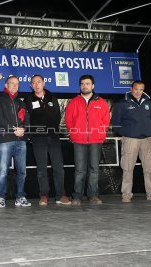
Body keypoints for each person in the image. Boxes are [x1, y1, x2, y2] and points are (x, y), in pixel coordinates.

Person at [112, 80, 151, 202]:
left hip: (147, 140)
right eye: (136, 89)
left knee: (150, 168)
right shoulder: (122, 104)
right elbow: (115, 123)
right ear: (131, 89)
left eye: (141, 89)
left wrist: (147, 132)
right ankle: (126, 194)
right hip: (130, 140)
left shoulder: (148, 104)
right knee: (128, 167)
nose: (138, 92)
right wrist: (126, 133)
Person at [65, 74, 110, 206]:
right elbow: (68, 121)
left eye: (87, 83)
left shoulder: (101, 102)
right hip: (79, 141)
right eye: (82, 84)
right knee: (79, 170)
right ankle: (77, 196)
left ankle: (93, 195)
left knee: (94, 169)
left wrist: (100, 135)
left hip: (96, 141)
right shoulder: (73, 102)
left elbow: (106, 121)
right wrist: (74, 135)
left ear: (93, 86)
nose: (85, 86)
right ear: (80, 86)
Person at [26, 74, 71, 206]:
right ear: (31, 86)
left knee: (58, 167)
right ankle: (44, 195)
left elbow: (57, 115)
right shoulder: (28, 100)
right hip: (38, 138)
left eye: (39, 82)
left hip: (53, 137)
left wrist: (53, 130)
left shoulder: (52, 98)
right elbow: (27, 119)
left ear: (44, 83)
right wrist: (31, 134)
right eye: (33, 83)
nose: (36, 84)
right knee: (42, 168)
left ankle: (61, 195)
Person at [0, 76, 31, 208]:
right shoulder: (0, 101)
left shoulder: (21, 102)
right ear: (6, 85)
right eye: (12, 84)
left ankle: (20, 196)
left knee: (22, 171)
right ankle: (0, 197)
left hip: (21, 140)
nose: (15, 86)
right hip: (5, 139)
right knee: (3, 171)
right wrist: (13, 129)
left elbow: (26, 120)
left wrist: (24, 130)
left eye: (17, 84)